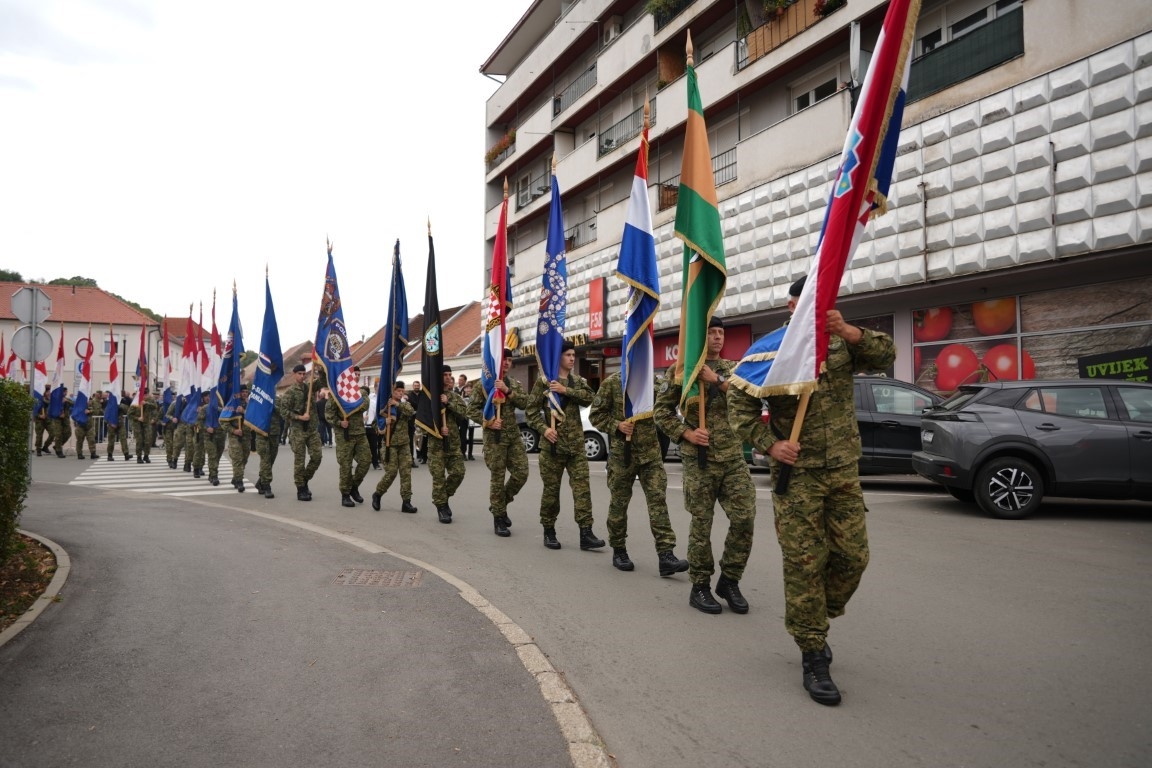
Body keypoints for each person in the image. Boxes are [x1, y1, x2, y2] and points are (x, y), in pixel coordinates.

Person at [729, 275, 895, 706]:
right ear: (791, 308)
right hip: (797, 476)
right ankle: (812, 652)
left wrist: (847, 330)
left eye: (822, 304)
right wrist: (770, 444)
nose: (815, 312)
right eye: (806, 305)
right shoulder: (771, 349)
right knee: (805, 563)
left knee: (853, 557)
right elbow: (739, 405)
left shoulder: (841, 343)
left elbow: (886, 354)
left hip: (842, 469)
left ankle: (817, 616)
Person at [653, 315, 756, 616]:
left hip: (733, 458)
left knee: (745, 518)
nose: (717, 337)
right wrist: (687, 432)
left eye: (721, 332)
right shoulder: (682, 370)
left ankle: (730, 580)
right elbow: (661, 412)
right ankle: (700, 586)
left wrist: (717, 381)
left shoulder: (734, 370)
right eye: (710, 332)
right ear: (701, 337)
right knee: (702, 525)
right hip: (699, 460)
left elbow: (749, 399)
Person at [590, 372, 689, 576]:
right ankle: (619, 550)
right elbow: (596, 415)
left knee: (658, 502)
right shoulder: (612, 383)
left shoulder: (656, 383)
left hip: (651, 454)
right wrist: (616, 425)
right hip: (622, 455)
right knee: (619, 503)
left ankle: (666, 555)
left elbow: (667, 411)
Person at [525, 341, 605, 551]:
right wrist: (544, 429)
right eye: (568, 355)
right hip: (552, 447)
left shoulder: (576, 381)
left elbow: (591, 399)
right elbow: (530, 412)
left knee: (582, 491)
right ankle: (549, 530)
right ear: (558, 357)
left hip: (576, 447)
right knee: (551, 492)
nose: (572, 358)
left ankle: (586, 533)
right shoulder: (544, 382)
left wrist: (566, 390)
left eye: (573, 355)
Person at [468, 357, 528, 538]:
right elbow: (471, 410)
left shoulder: (514, 384)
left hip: (513, 436)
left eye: (510, 360)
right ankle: (499, 518)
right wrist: (489, 421)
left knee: (521, 473)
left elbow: (525, 403)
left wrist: (507, 391)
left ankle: (499, 503)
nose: (507, 363)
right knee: (498, 478)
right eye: (504, 359)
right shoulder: (483, 385)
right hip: (494, 437)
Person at [423, 365, 468, 523]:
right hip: (436, 446)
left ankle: (443, 497)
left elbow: (463, 414)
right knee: (439, 478)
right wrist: (436, 429)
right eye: (445, 375)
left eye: (450, 374)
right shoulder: (429, 397)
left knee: (458, 473)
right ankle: (441, 507)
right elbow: (423, 420)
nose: (449, 377)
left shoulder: (453, 396)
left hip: (453, 443)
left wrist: (448, 402)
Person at [277, 364, 323, 501]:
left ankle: (304, 479)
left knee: (317, 456)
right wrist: (299, 417)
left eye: (304, 374)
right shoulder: (290, 392)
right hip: (298, 430)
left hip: (311, 429)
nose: (302, 376)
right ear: (294, 374)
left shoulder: (309, 388)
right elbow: (283, 411)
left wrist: (321, 369)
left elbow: (322, 382)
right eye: (300, 374)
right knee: (300, 461)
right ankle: (300, 489)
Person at [371, 381, 418, 514]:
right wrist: (383, 424)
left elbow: (410, 412)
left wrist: (398, 404)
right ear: (392, 391)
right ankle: (378, 494)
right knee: (391, 472)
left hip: (403, 444)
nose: (401, 393)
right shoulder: (385, 406)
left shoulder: (404, 404)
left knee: (406, 473)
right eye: (398, 391)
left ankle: (406, 502)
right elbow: (375, 424)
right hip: (389, 444)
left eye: (402, 391)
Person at [327, 384, 372, 507]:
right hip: (344, 434)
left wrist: (351, 404)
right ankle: (345, 494)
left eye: (358, 374)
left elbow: (365, 405)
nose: (356, 377)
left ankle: (354, 486)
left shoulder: (361, 393)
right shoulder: (336, 395)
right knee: (346, 466)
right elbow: (329, 414)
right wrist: (339, 422)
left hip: (359, 433)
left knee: (366, 461)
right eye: (355, 374)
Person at [221, 385, 252, 492]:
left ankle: (236, 477)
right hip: (235, 436)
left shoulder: (250, 405)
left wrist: (244, 412)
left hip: (247, 436)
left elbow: (255, 418)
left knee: (244, 458)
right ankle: (239, 481)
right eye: (242, 391)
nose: (244, 393)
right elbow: (223, 421)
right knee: (237, 458)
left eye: (246, 392)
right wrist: (233, 430)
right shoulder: (231, 404)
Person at [252, 398, 281, 499]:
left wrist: (273, 406)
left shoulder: (277, 399)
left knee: (271, 460)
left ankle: (260, 481)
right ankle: (267, 486)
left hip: (274, 433)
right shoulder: (257, 398)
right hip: (261, 432)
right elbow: (252, 414)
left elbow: (282, 412)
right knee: (265, 459)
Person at [128, 389, 159, 463]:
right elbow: (129, 414)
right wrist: (138, 418)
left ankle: (146, 456)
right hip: (137, 424)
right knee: (139, 440)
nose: (145, 397)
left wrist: (146, 403)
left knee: (148, 440)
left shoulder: (150, 400)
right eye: (144, 395)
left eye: (146, 395)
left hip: (147, 423)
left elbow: (155, 407)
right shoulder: (136, 401)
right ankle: (139, 457)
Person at [72, 390, 101, 460]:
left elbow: (97, 412)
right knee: (79, 441)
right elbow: (74, 414)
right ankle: (79, 454)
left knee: (91, 440)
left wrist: (90, 411)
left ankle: (93, 453)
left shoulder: (91, 405)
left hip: (89, 426)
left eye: (89, 400)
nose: (88, 401)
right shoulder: (79, 406)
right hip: (80, 426)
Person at [104, 390, 130, 461]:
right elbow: (106, 416)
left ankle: (126, 454)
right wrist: (110, 423)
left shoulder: (120, 404)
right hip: (111, 424)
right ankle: (109, 455)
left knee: (123, 438)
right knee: (111, 440)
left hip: (120, 424)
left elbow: (128, 410)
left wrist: (119, 405)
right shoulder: (109, 405)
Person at [364, 386, 382, 470]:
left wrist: (377, 425)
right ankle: (363, 463)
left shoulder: (373, 403)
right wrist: (362, 418)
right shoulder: (358, 403)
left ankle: (375, 463)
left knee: (374, 446)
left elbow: (377, 415)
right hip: (361, 427)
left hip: (371, 427)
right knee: (362, 447)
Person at [33, 385, 52, 456]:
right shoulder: (38, 399)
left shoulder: (49, 399)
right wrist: (39, 415)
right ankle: (38, 449)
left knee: (53, 433)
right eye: (48, 392)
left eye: (49, 392)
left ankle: (45, 446)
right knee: (39, 435)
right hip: (39, 420)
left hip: (47, 419)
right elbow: (34, 410)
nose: (49, 393)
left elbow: (50, 404)